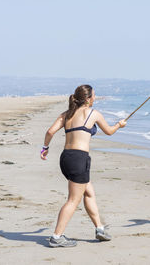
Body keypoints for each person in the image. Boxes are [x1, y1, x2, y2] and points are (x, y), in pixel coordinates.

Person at [40, 84, 127, 247]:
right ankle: (57, 237)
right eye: (94, 95)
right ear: (87, 99)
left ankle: (99, 228)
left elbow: (50, 132)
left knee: (89, 193)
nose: (95, 98)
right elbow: (109, 131)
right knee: (73, 200)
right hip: (79, 159)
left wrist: (45, 148)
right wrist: (119, 125)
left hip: (66, 158)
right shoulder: (93, 113)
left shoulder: (67, 114)